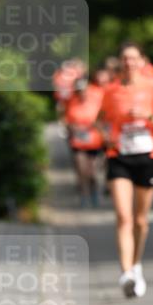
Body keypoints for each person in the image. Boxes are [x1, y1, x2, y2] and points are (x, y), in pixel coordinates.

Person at [98, 42, 153, 297]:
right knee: (123, 217)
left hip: (147, 156)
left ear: (141, 62)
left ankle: (136, 264)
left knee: (140, 220)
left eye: (133, 59)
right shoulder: (111, 90)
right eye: (124, 59)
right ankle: (126, 272)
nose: (128, 63)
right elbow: (99, 119)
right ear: (120, 63)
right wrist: (105, 135)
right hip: (119, 156)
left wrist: (148, 117)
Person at [63, 74, 105, 207]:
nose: (81, 92)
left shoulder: (97, 97)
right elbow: (66, 120)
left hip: (95, 141)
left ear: (88, 87)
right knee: (82, 170)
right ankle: (84, 195)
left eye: (83, 89)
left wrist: (97, 126)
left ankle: (95, 193)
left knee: (92, 172)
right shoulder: (71, 101)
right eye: (78, 90)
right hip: (78, 142)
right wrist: (71, 127)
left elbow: (104, 117)